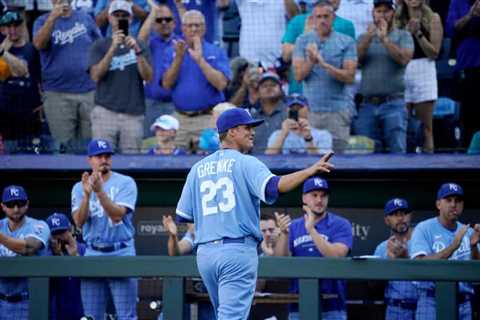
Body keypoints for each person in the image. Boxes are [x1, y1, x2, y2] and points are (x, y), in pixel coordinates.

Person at [175, 107, 335, 320]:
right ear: (231, 132)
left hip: (205, 255)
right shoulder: (245, 162)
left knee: (224, 315)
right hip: (236, 251)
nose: (252, 132)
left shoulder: (197, 168)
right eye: (247, 128)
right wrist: (308, 171)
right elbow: (275, 186)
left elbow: (183, 216)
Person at [71, 138, 139, 320]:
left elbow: (117, 215)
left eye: (107, 155)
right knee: (91, 316)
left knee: (127, 316)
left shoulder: (126, 182)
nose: (104, 160)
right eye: (99, 156)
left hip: (121, 251)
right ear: (89, 160)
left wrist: (99, 191)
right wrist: (86, 195)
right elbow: (78, 222)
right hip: (93, 252)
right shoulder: (79, 187)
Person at [273, 177, 352, 320]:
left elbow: (337, 256)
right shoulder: (294, 226)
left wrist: (310, 229)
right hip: (298, 304)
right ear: (304, 198)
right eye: (314, 195)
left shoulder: (341, 224)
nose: (319, 200)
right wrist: (284, 234)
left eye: (323, 195)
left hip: (333, 305)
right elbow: (280, 262)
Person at [33, 0, 101, 153]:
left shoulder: (85, 18)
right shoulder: (41, 21)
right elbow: (38, 45)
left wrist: (96, 74)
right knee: (64, 149)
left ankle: (89, 178)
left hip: (88, 92)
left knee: (90, 148)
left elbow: (99, 46)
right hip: (58, 94)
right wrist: (52, 18)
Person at [293, 1, 357, 153]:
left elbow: (350, 77)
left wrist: (323, 64)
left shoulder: (346, 41)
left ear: (333, 17)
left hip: (338, 112)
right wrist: (311, 60)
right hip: (310, 113)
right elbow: (298, 76)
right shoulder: (302, 41)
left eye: (326, 16)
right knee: (310, 159)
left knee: (338, 160)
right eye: (319, 17)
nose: (322, 20)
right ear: (313, 19)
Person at [89, 0, 153, 154]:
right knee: (101, 159)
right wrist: (112, 49)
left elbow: (148, 77)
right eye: (116, 15)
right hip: (105, 112)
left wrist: (137, 52)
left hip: (133, 114)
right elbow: (96, 76)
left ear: (130, 19)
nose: (119, 19)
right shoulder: (100, 45)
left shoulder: (140, 45)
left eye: (124, 15)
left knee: (132, 162)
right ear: (110, 18)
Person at [161, 9, 231, 150]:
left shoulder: (216, 51)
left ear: (204, 28)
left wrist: (200, 60)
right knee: (173, 162)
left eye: (198, 25)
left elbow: (221, 84)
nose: (194, 29)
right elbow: (166, 84)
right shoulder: (172, 51)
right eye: (189, 25)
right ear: (182, 28)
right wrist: (178, 58)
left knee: (209, 162)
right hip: (180, 118)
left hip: (208, 118)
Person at [410, 183, 480, 320]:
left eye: (458, 200)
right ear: (438, 204)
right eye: (448, 200)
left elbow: (477, 272)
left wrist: (473, 246)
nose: (453, 204)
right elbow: (419, 265)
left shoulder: (469, 232)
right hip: (431, 300)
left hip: (464, 302)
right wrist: (453, 247)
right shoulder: (424, 228)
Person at [354, 0, 414, 153]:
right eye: (379, 11)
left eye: (386, 11)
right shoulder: (363, 37)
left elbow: (403, 59)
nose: (382, 14)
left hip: (394, 103)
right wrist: (368, 38)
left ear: (393, 13)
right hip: (367, 105)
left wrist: (384, 39)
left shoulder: (403, 35)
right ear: (373, 13)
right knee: (365, 154)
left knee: (397, 150)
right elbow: (355, 61)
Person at [395, 0, 443, 153]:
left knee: (426, 127)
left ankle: (429, 168)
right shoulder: (397, 19)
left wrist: (418, 33)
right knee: (401, 125)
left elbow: (434, 53)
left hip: (424, 68)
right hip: (401, 70)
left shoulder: (433, 17)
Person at [0, 185, 50, 320]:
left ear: (27, 204)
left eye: (20, 204)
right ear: (3, 206)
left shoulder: (39, 225)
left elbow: (28, 248)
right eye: (10, 205)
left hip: (27, 301)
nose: (16, 209)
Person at [0, 9, 44, 154]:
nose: (13, 30)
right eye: (9, 26)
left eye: (16, 25)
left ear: (22, 26)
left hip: (29, 111)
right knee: (10, 155)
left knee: (34, 153)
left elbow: (33, 75)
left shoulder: (31, 49)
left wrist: (42, 102)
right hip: (6, 111)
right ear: (3, 29)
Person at [161, 215, 215, 320]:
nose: (192, 226)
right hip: (203, 291)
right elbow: (175, 251)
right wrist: (173, 236)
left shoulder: (220, 232)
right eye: (190, 223)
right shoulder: (192, 236)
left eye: (195, 222)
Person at [138, 0, 178, 137]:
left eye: (167, 19)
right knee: (148, 144)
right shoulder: (151, 43)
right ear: (154, 24)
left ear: (174, 22)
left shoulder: (181, 43)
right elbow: (139, 41)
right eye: (159, 20)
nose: (164, 23)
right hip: (151, 103)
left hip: (175, 105)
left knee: (175, 147)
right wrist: (153, 12)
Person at [373, 198, 417, 320]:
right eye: (395, 214)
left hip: (423, 306)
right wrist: (389, 261)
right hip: (396, 308)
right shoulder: (382, 248)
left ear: (410, 216)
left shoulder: (422, 242)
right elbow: (374, 287)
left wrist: (405, 257)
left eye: (404, 213)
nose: (400, 218)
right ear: (387, 220)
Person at [446, 0, 480, 148]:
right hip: (468, 67)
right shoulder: (457, 2)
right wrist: (470, 15)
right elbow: (450, 30)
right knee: (469, 118)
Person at [46, 212, 86, 320]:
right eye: (55, 234)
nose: (59, 237)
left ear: (70, 230)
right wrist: (58, 256)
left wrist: (75, 255)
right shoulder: (46, 253)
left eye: (62, 232)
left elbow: (90, 278)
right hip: (57, 312)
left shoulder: (84, 249)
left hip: (82, 310)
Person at [266, 93, 333, 155]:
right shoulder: (277, 135)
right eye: (292, 108)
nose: (296, 111)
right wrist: (283, 134)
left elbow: (323, 163)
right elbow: (268, 159)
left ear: (308, 110)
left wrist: (309, 139)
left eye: (299, 107)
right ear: (286, 111)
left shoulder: (323, 135)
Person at [249, 72, 287, 154]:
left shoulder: (288, 113)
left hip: (284, 164)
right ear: (258, 92)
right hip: (255, 163)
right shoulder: (252, 117)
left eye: (273, 85)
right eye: (264, 86)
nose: (269, 88)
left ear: (281, 90)